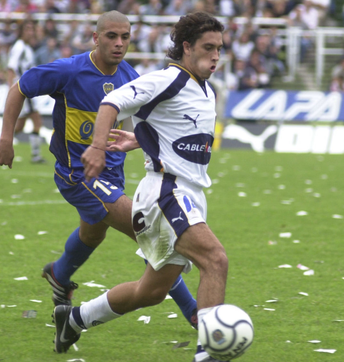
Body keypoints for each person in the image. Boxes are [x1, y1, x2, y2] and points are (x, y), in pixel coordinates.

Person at [0, 9, 199, 331]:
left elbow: (136, 123)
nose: (119, 44)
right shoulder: (70, 70)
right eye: (111, 36)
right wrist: (6, 140)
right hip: (77, 175)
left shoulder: (129, 76)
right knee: (145, 230)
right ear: (95, 37)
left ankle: (59, 275)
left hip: (111, 173)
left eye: (125, 37)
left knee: (93, 232)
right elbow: (19, 88)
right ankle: (194, 313)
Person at [54, 12, 228, 362]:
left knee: (150, 292)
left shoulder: (202, 87)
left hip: (188, 192)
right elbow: (112, 103)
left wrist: (140, 138)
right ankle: (209, 353)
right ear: (186, 47)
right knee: (215, 260)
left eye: (220, 49)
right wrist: (98, 147)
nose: (216, 56)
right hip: (167, 193)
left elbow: (170, 128)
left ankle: (75, 318)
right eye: (208, 48)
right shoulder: (168, 78)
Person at [0, 21, 46, 164]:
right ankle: (36, 156)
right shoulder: (19, 47)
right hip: (24, 89)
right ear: (21, 32)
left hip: (26, 88)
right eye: (27, 29)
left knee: (19, 126)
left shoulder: (27, 48)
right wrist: (11, 88)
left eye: (32, 30)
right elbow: (11, 68)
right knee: (37, 121)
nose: (30, 33)